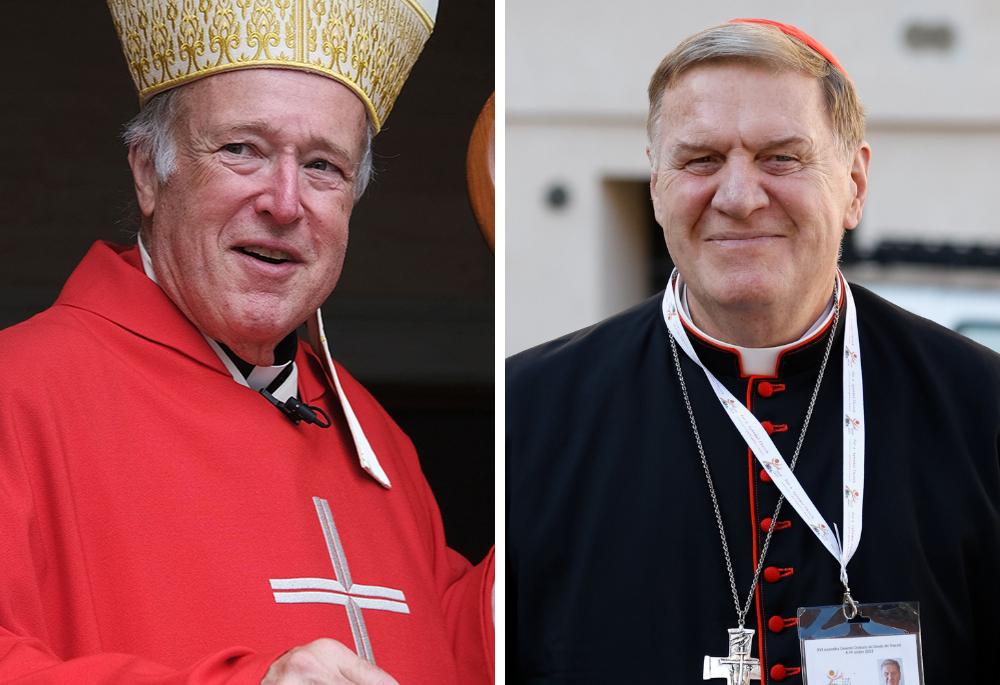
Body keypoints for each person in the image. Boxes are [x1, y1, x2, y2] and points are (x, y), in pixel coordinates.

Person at [0, 1, 493, 684]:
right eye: (242, 149)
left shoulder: (376, 436)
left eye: (324, 165)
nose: (285, 202)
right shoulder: (18, 391)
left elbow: (449, 643)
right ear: (148, 170)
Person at [507, 18, 1000, 684]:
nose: (739, 197)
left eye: (781, 157)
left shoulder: (979, 405)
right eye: (701, 160)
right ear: (657, 185)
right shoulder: (530, 414)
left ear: (853, 183)